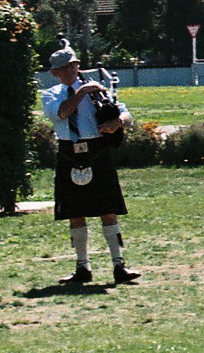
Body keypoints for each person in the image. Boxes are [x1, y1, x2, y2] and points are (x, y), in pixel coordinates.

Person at [40, 44, 139, 286]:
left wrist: (117, 122)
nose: (69, 72)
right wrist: (82, 91)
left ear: (77, 66)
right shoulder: (51, 94)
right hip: (69, 152)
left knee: (108, 209)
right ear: (54, 73)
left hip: (97, 150)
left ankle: (119, 265)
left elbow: (126, 115)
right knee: (75, 212)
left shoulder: (99, 91)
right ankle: (82, 267)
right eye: (63, 69)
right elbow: (62, 113)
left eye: (72, 66)